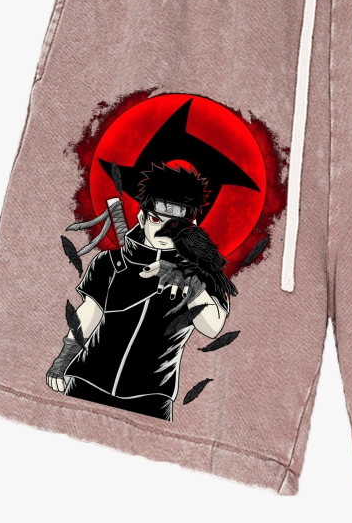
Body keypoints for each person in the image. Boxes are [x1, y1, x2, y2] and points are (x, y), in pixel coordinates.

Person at [46, 162, 237, 421]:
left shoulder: (205, 274)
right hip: (87, 380)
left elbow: (212, 328)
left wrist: (190, 283)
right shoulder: (110, 262)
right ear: (142, 217)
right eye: (156, 219)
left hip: (151, 396)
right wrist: (64, 359)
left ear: (192, 223)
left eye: (175, 223)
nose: (162, 230)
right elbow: (90, 314)